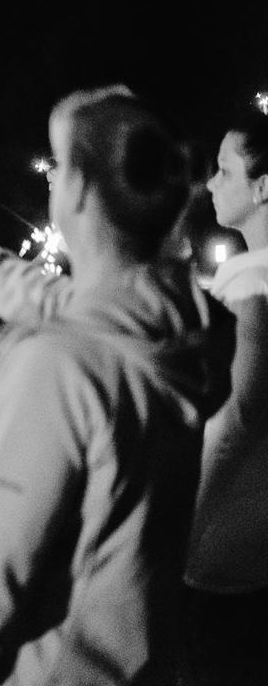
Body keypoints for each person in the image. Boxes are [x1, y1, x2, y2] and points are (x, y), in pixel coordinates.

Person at [0, 87, 222, 685]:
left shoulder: (60, 373)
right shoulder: (169, 321)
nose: (52, 176)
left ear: (82, 190)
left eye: (59, 164)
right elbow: (47, 297)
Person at [179, 108, 268, 683]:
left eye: (224, 170)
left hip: (226, 538)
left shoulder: (249, 279)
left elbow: (238, 412)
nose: (210, 183)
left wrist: (176, 521)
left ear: (263, 187)